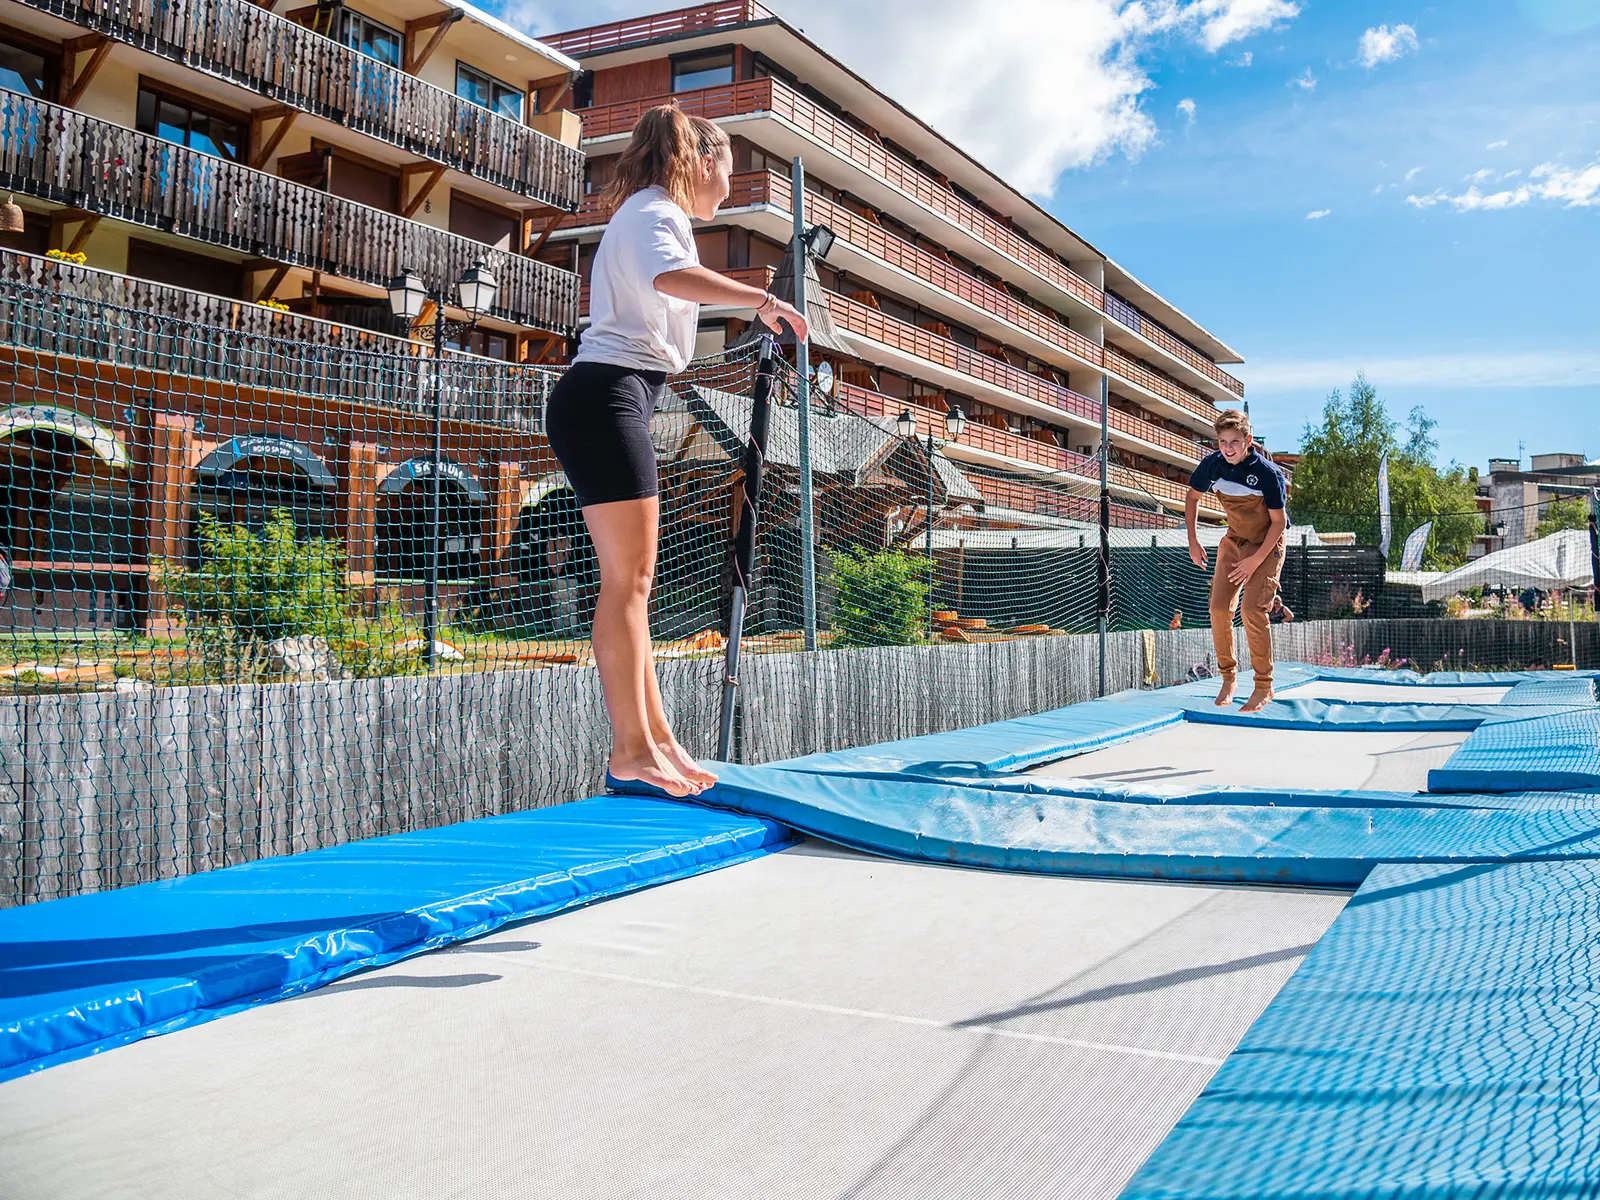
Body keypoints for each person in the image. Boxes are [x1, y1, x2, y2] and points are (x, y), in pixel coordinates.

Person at [544, 105, 809, 799]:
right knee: (626, 581)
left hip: (619, 393)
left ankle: (656, 741)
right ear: (698, 161)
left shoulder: (652, 212)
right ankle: (631, 751)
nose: (728, 186)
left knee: (635, 582)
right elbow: (670, 278)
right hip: (606, 394)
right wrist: (763, 302)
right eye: (726, 170)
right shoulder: (657, 214)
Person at [1186, 408, 1287, 712]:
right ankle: (1228, 677)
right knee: (1218, 608)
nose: (1228, 448)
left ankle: (1263, 685)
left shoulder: (1269, 474)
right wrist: (1193, 540)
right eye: (1222, 442)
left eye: (1234, 441)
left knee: (1252, 610)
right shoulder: (1212, 466)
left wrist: (1255, 561)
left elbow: (1279, 523)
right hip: (1234, 541)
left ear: (1248, 441)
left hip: (1267, 545)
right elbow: (1192, 498)